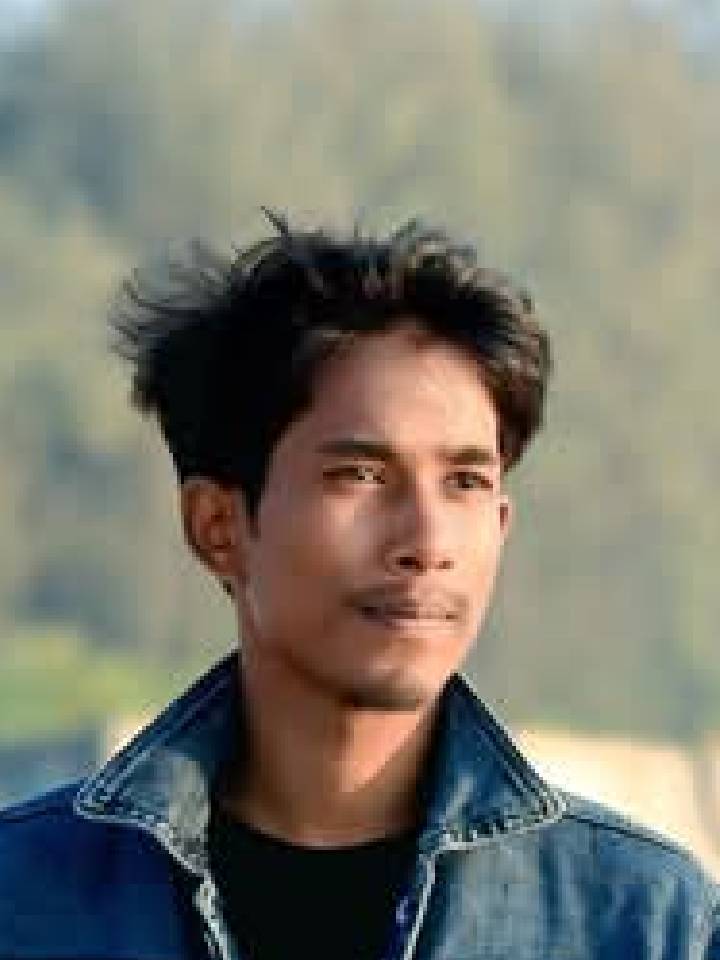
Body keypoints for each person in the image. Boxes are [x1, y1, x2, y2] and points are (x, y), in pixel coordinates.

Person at [1, 215, 718, 960]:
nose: (428, 543)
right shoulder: (25, 904)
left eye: (465, 482)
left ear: (502, 524)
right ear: (218, 525)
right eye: (362, 476)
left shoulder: (643, 923)